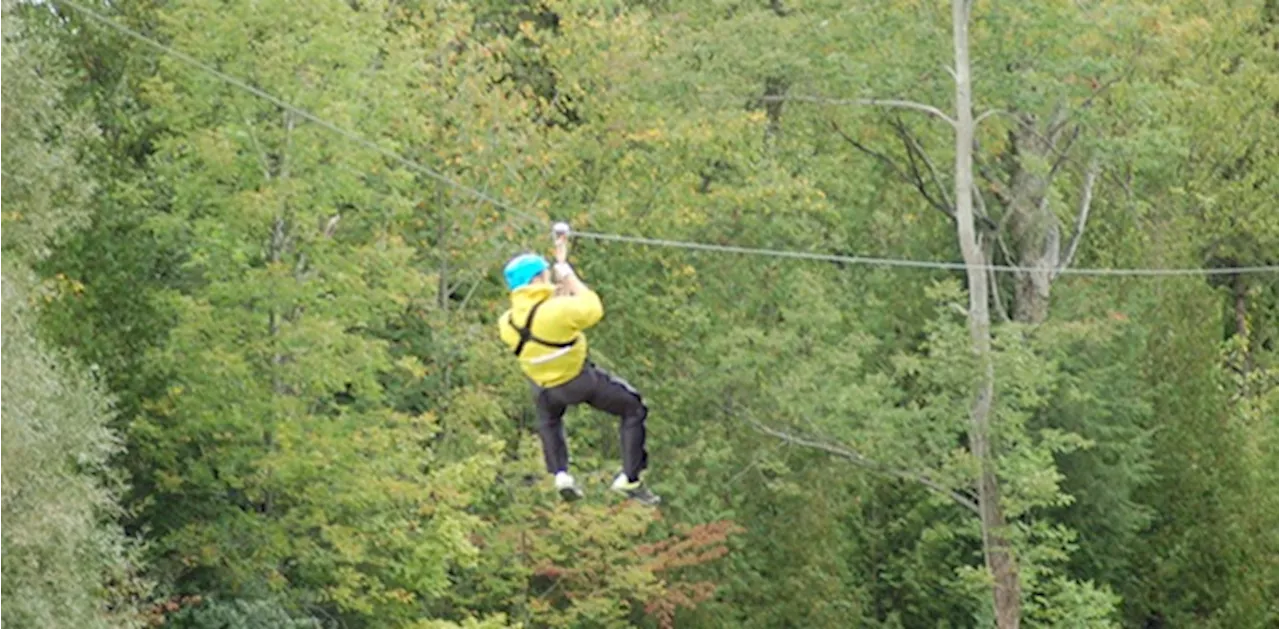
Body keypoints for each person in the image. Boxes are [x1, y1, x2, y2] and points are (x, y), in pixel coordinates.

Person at [497, 233, 660, 506]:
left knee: (549, 422)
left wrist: (560, 263)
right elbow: (591, 308)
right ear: (537, 280)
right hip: (579, 381)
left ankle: (560, 474)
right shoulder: (556, 311)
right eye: (545, 275)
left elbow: (546, 312)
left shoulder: (507, 321)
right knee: (632, 407)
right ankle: (630, 478)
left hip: (546, 390)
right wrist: (568, 275)